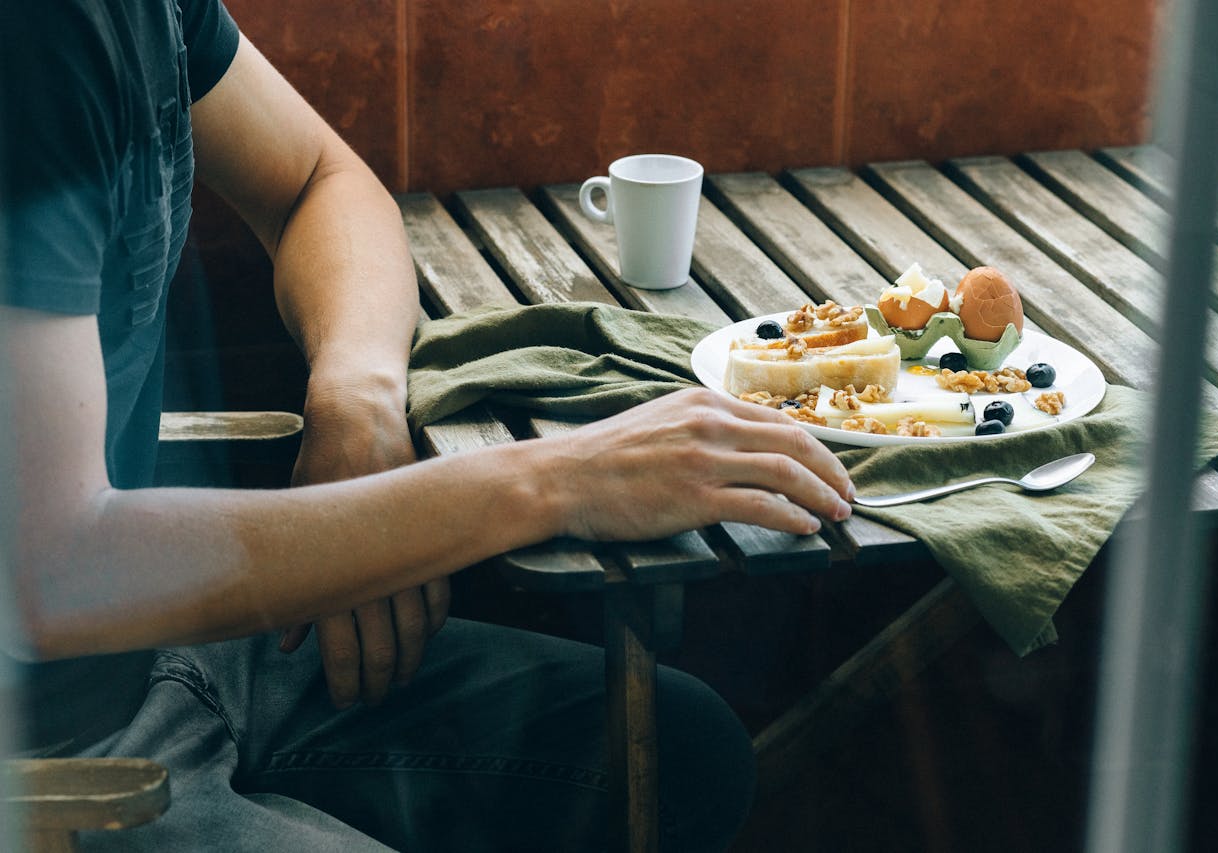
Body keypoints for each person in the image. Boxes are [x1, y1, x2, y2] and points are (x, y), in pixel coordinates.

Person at [0, 1, 856, 850]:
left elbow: (319, 183)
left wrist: (356, 396)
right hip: (46, 762)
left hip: (164, 651)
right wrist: (552, 482)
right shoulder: (37, 37)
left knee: (683, 751)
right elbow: (51, 571)